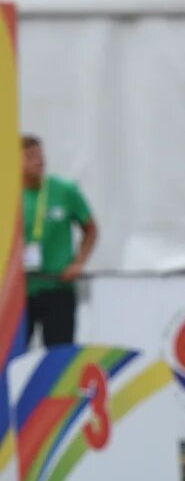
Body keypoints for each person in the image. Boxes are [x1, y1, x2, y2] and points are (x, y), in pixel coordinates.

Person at [20, 135, 97, 347]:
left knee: (58, 355)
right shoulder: (9, 194)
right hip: (20, 291)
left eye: (40, 155)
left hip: (58, 286)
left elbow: (91, 230)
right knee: (12, 357)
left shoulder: (65, 190)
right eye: (31, 156)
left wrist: (78, 262)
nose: (39, 161)